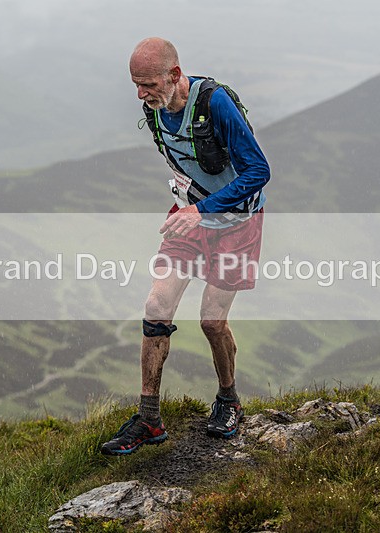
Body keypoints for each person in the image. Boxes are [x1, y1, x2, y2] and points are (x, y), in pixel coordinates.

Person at [100, 37, 270, 455]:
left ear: (175, 75)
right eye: (136, 85)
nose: (141, 94)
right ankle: (149, 419)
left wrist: (204, 208)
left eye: (148, 84)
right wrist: (189, 206)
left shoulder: (214, 104)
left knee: (212, 321)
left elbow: (259, 171)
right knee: (156, 307)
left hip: (237, 222)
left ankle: (229, 399)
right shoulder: (154, 110)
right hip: (190, 217)